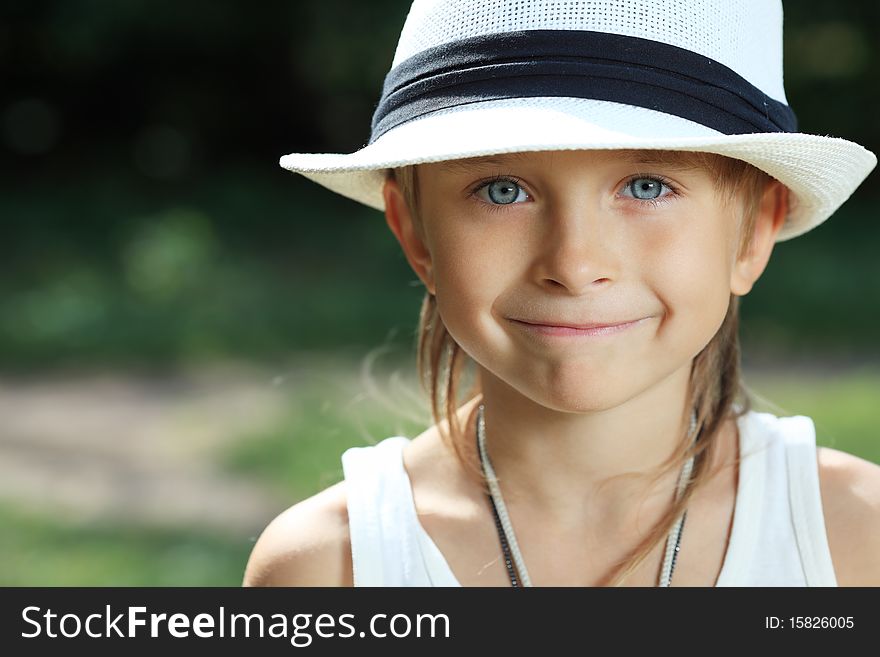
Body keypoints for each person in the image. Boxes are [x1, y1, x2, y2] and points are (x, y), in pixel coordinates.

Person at [243, 0, 879, 587]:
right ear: (416, 235)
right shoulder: (330, 567)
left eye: (647, 187)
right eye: (502, 190)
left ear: (752, 234)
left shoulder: (855, 541)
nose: (574, 266)